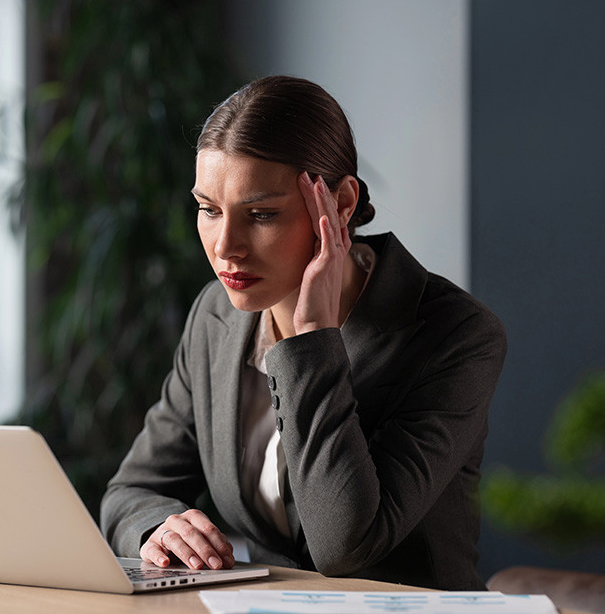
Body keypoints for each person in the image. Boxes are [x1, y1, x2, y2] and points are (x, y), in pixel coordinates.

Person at [100, 75, 507, 590]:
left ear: (339, 204)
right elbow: (129, 490)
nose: (226, 246)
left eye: (262, 214)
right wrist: (158, 529)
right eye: (208, 210)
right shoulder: (215, 319)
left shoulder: (456, 336)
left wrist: (311, 338)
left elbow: (344, 545)